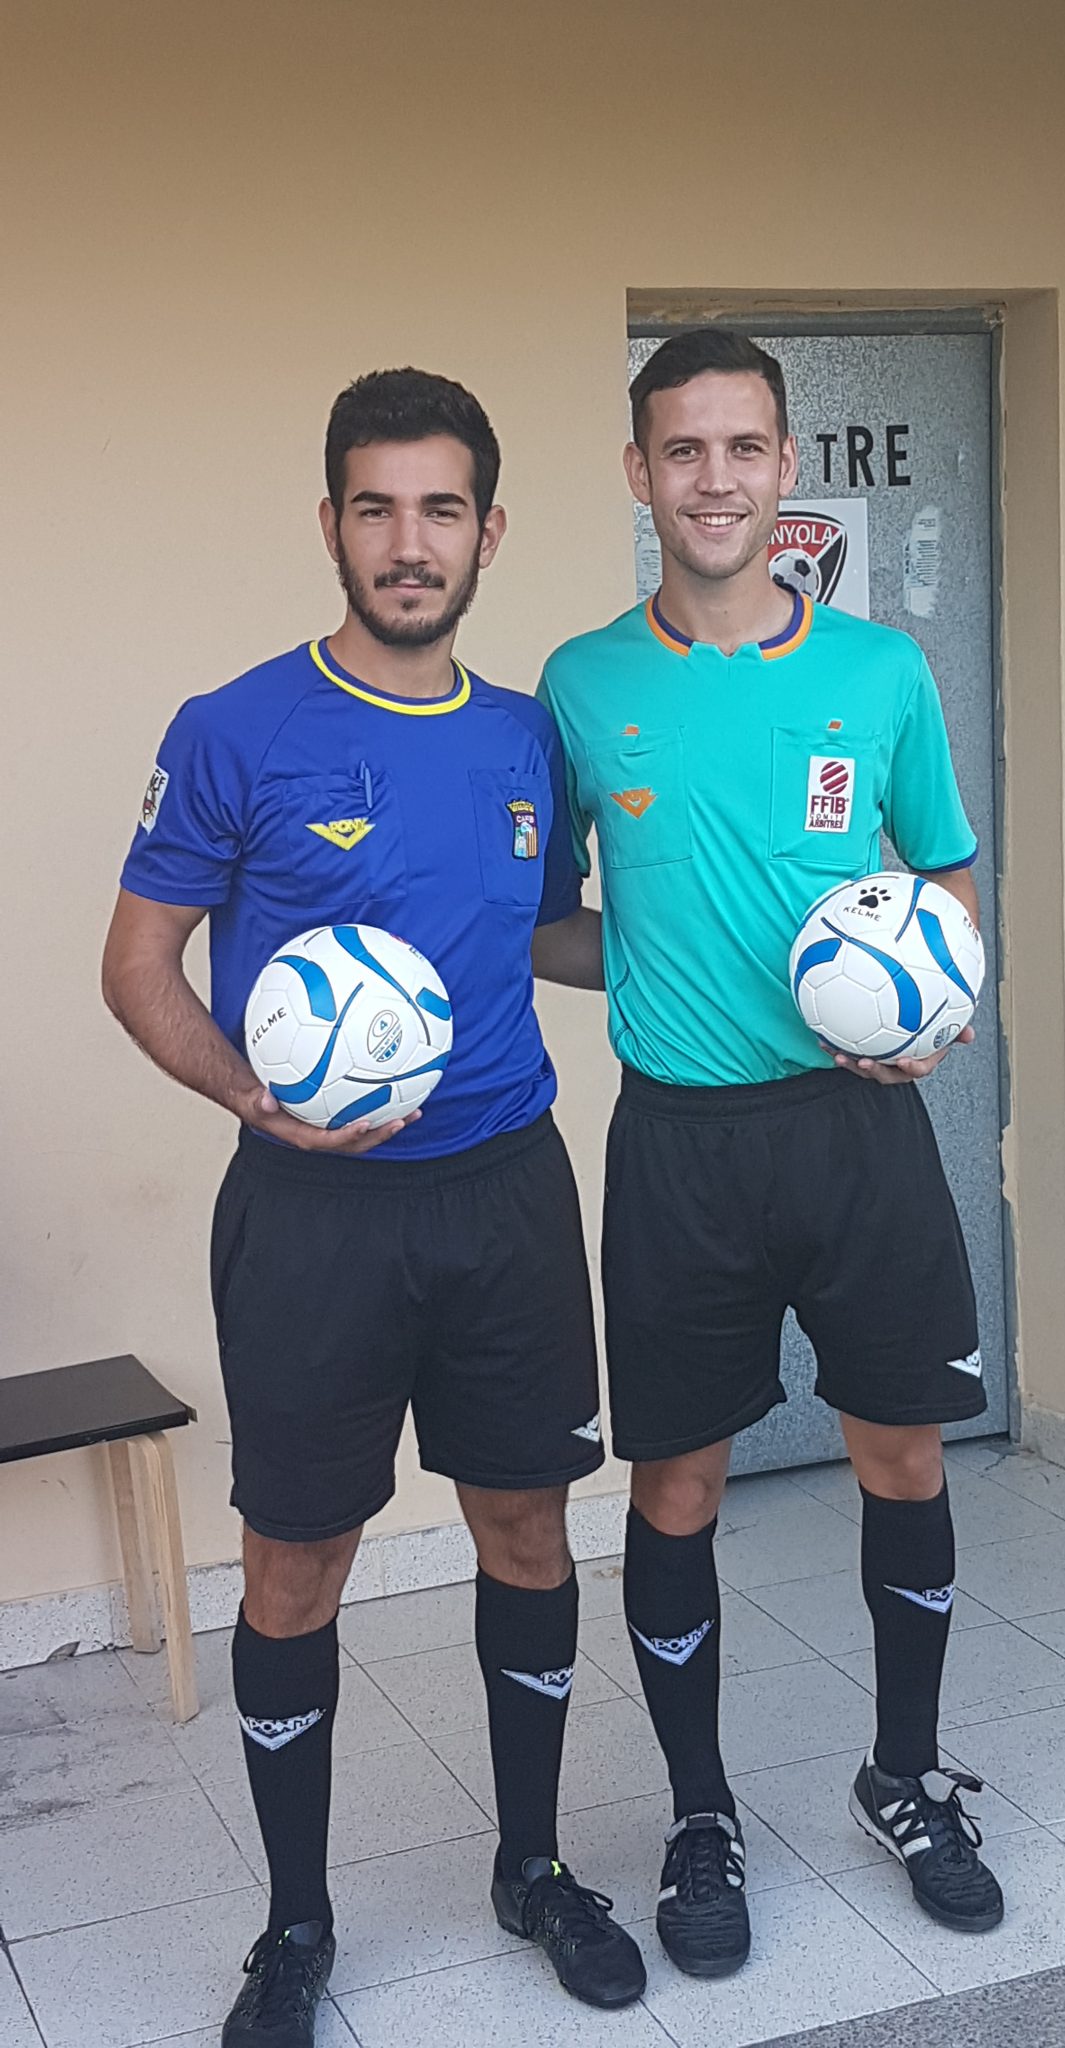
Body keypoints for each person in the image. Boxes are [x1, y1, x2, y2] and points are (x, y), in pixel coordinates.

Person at [100, 369, 645, 2046]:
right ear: (332, 524)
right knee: (298, 1560)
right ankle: (296, 1925)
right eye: (377, 507)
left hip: (505, 1195)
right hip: (311, 1218)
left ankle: (534, 1867)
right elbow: (139, 966)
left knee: (528, 1532)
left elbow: (548, 934)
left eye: (441, 509)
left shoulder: (528, 737)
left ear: (491, 530)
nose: (410, 543)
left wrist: (743, 954)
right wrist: (249, 1094)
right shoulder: (234, 728)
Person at [537, 328, 1005, 1983]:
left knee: (905, 1457)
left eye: (744, 447)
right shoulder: (582, 686)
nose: (715, 479)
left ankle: (906, 1777)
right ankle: (700, 1814)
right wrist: (653, 951)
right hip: (681, 1145)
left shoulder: (880, 674)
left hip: (859, 1133)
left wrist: (934, 1002)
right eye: (683, 450)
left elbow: (943, 874)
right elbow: (550, 921)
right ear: (639, 472)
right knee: (678, 1488)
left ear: (786, 464)